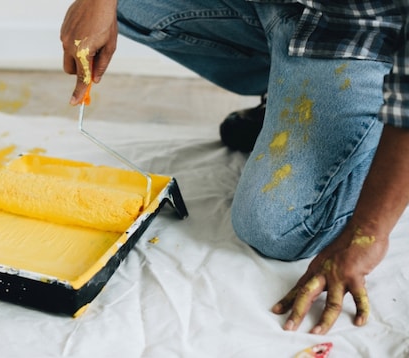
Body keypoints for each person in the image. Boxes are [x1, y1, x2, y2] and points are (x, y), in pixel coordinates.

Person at [60, 0, 409, 335]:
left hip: (358, 32)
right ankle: (284, 94)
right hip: (273, 7)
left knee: (275, 228)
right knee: (123, 5)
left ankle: (370, 123)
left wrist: (369, 232)